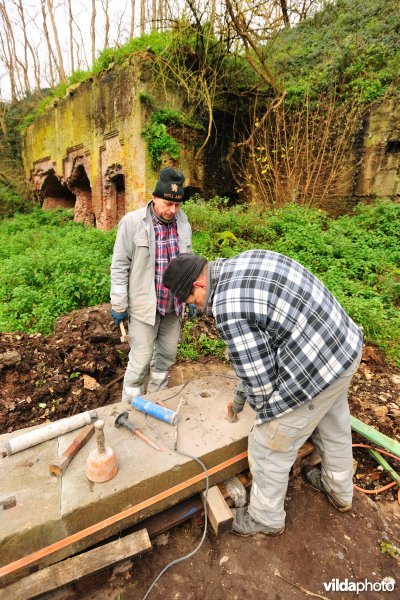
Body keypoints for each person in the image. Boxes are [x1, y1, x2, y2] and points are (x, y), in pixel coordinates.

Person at [162, 250, 363, 536]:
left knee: (268, 444)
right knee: (333, 423)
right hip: (342, 348)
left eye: (191, 301)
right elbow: (266, 339)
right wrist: (242, 390)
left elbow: (262, 381)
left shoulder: (226, 306)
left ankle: (266, 518)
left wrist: (265, 416)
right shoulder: (245, 261)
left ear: (199, 285)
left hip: (315, 370)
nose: (195, 308)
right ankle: (340, 490)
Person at [110, 167, 192, 402]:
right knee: (141, 360)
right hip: (144, 307)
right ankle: (129, 407)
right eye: (167, 204)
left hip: (173, 307)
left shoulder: (183, 223)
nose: (172, 210)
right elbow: (119, 265)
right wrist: (119, 303)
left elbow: (188, 262)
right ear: (155, 197)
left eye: (177, 205)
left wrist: (189, 294)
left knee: (166, 357)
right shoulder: (133, 222)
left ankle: (157, 401)